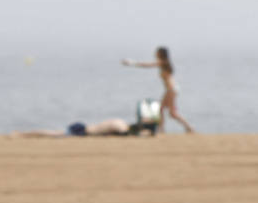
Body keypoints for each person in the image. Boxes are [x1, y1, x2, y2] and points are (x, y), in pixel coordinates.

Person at [121, 47, 195, 133]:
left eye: (157, 52)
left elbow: (147, 65)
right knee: (168, 112)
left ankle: (181, 128)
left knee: (168, 112)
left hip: (171, 90)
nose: (155, 53)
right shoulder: (164, 63)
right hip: (171, 89)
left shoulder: (162, 62)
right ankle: (169, 129)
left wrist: (132, 63)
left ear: (161, 54)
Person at [12, 118, 155, 138]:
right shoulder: (121, 128)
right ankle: (23, 134)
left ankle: (23, 134)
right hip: (81, 131)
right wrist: (144, 134)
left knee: (53, 133)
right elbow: (125, 135)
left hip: (83, 127)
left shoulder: (121, 121)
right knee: (53, 134)